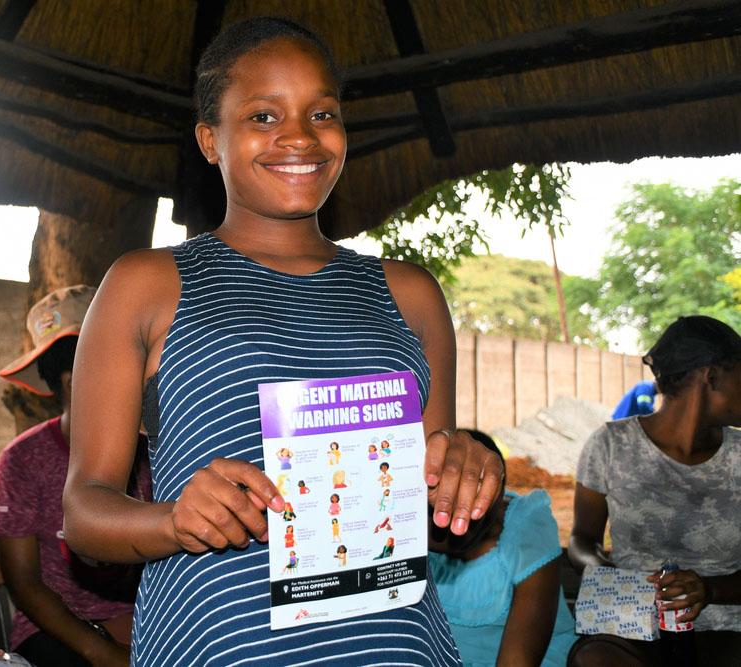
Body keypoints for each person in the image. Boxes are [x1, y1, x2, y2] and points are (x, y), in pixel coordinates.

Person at [62, 17, 503, 666]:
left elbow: (431, 501)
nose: (299, 135)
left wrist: (468, 470)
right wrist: (173, 518)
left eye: (322, 112)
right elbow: (83, 511)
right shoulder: (145, 284)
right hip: (219, 645)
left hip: (396, 648)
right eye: (264, 116)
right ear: (211, 140)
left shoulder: (410, 295)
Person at [568, 316, 741, 665]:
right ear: (712, 377)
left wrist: (708, 589)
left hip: (728, 633)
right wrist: (611, 571)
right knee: (594, 659)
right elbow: (581, 542)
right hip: (633, 631)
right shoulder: (611, 446)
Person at [0, 286, 150, 667]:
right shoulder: (23, 460)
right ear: (68, 382)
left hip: (144, 619)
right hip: (59, 631)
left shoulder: (152, 451)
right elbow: (25, 583)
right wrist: (100, 649)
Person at [428, 429, 577, 666]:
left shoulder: (527, 525)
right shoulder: (421, 532)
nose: (459, 523)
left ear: (497, 498)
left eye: (474, 509)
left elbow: (518, 661)